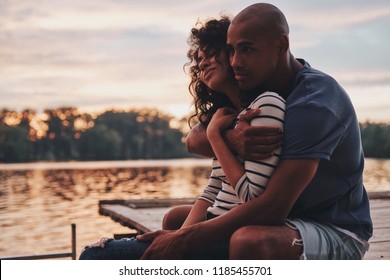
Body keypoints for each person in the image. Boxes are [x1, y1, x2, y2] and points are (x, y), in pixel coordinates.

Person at [137, 3, 372, 260]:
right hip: (289, 218)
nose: (236, 61)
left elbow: (272, 208)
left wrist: (182, 240)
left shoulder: (315, 101)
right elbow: (193, 139)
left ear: (280, 45)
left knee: (250, 241)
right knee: (176, 217)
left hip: (335, 229)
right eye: (231, 51)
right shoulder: (259, 89)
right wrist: (229, 137)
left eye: (247, 49)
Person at [79, 15, 284, 260]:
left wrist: (215, 138)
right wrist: (177, 240)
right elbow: (212, 190)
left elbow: (251, 198)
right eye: (198, 60)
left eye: (210, 53)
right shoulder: (228, 116)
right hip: (210, 227)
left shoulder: (264, 106)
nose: (202, 64)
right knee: (104, 251)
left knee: (95, 257)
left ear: (232, 54)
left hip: (228, 234)